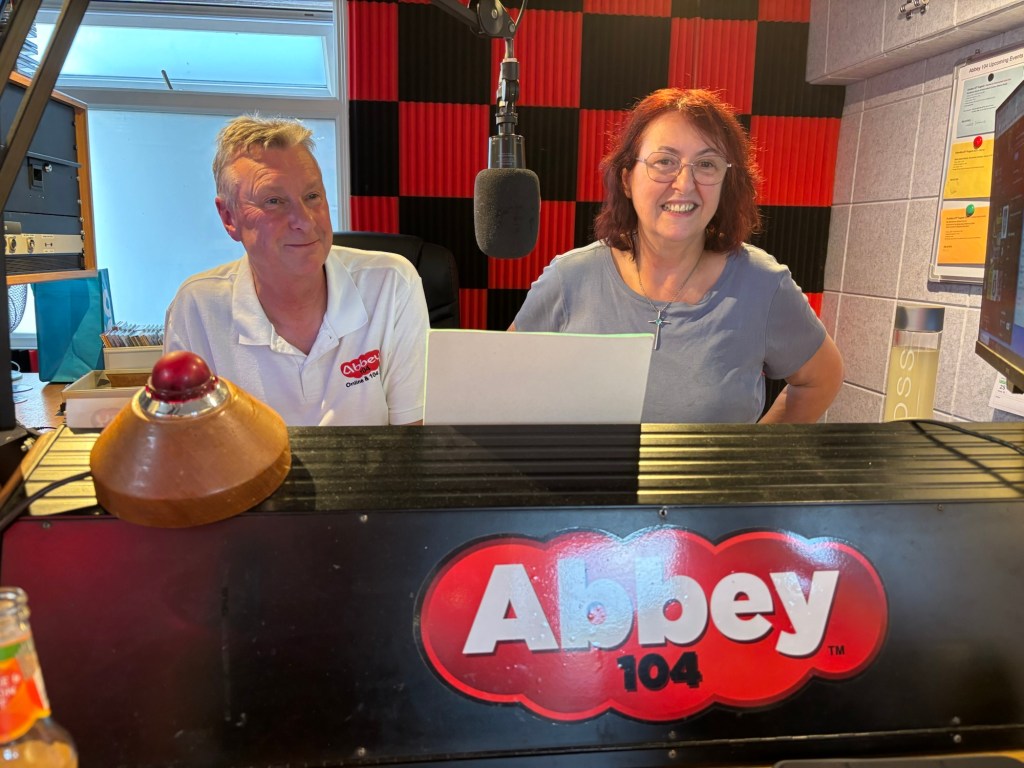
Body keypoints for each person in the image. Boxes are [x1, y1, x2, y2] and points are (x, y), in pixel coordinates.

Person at [511, 88, 843, 423]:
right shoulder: (569, 278)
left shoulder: (762, 284)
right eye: (665, 162)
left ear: (726, 182)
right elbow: (506, 383)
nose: (685, 184)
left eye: (706, 164)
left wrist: (755, 452)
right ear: (627, 179)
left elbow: (821, 379)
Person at [164, 115, 429, 426]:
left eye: (312, 196)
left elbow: (413, 436)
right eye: (274, 201)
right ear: (229, 218)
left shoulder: (391, 284)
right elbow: (189, 442)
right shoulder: (197, 308)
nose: (305, 221)